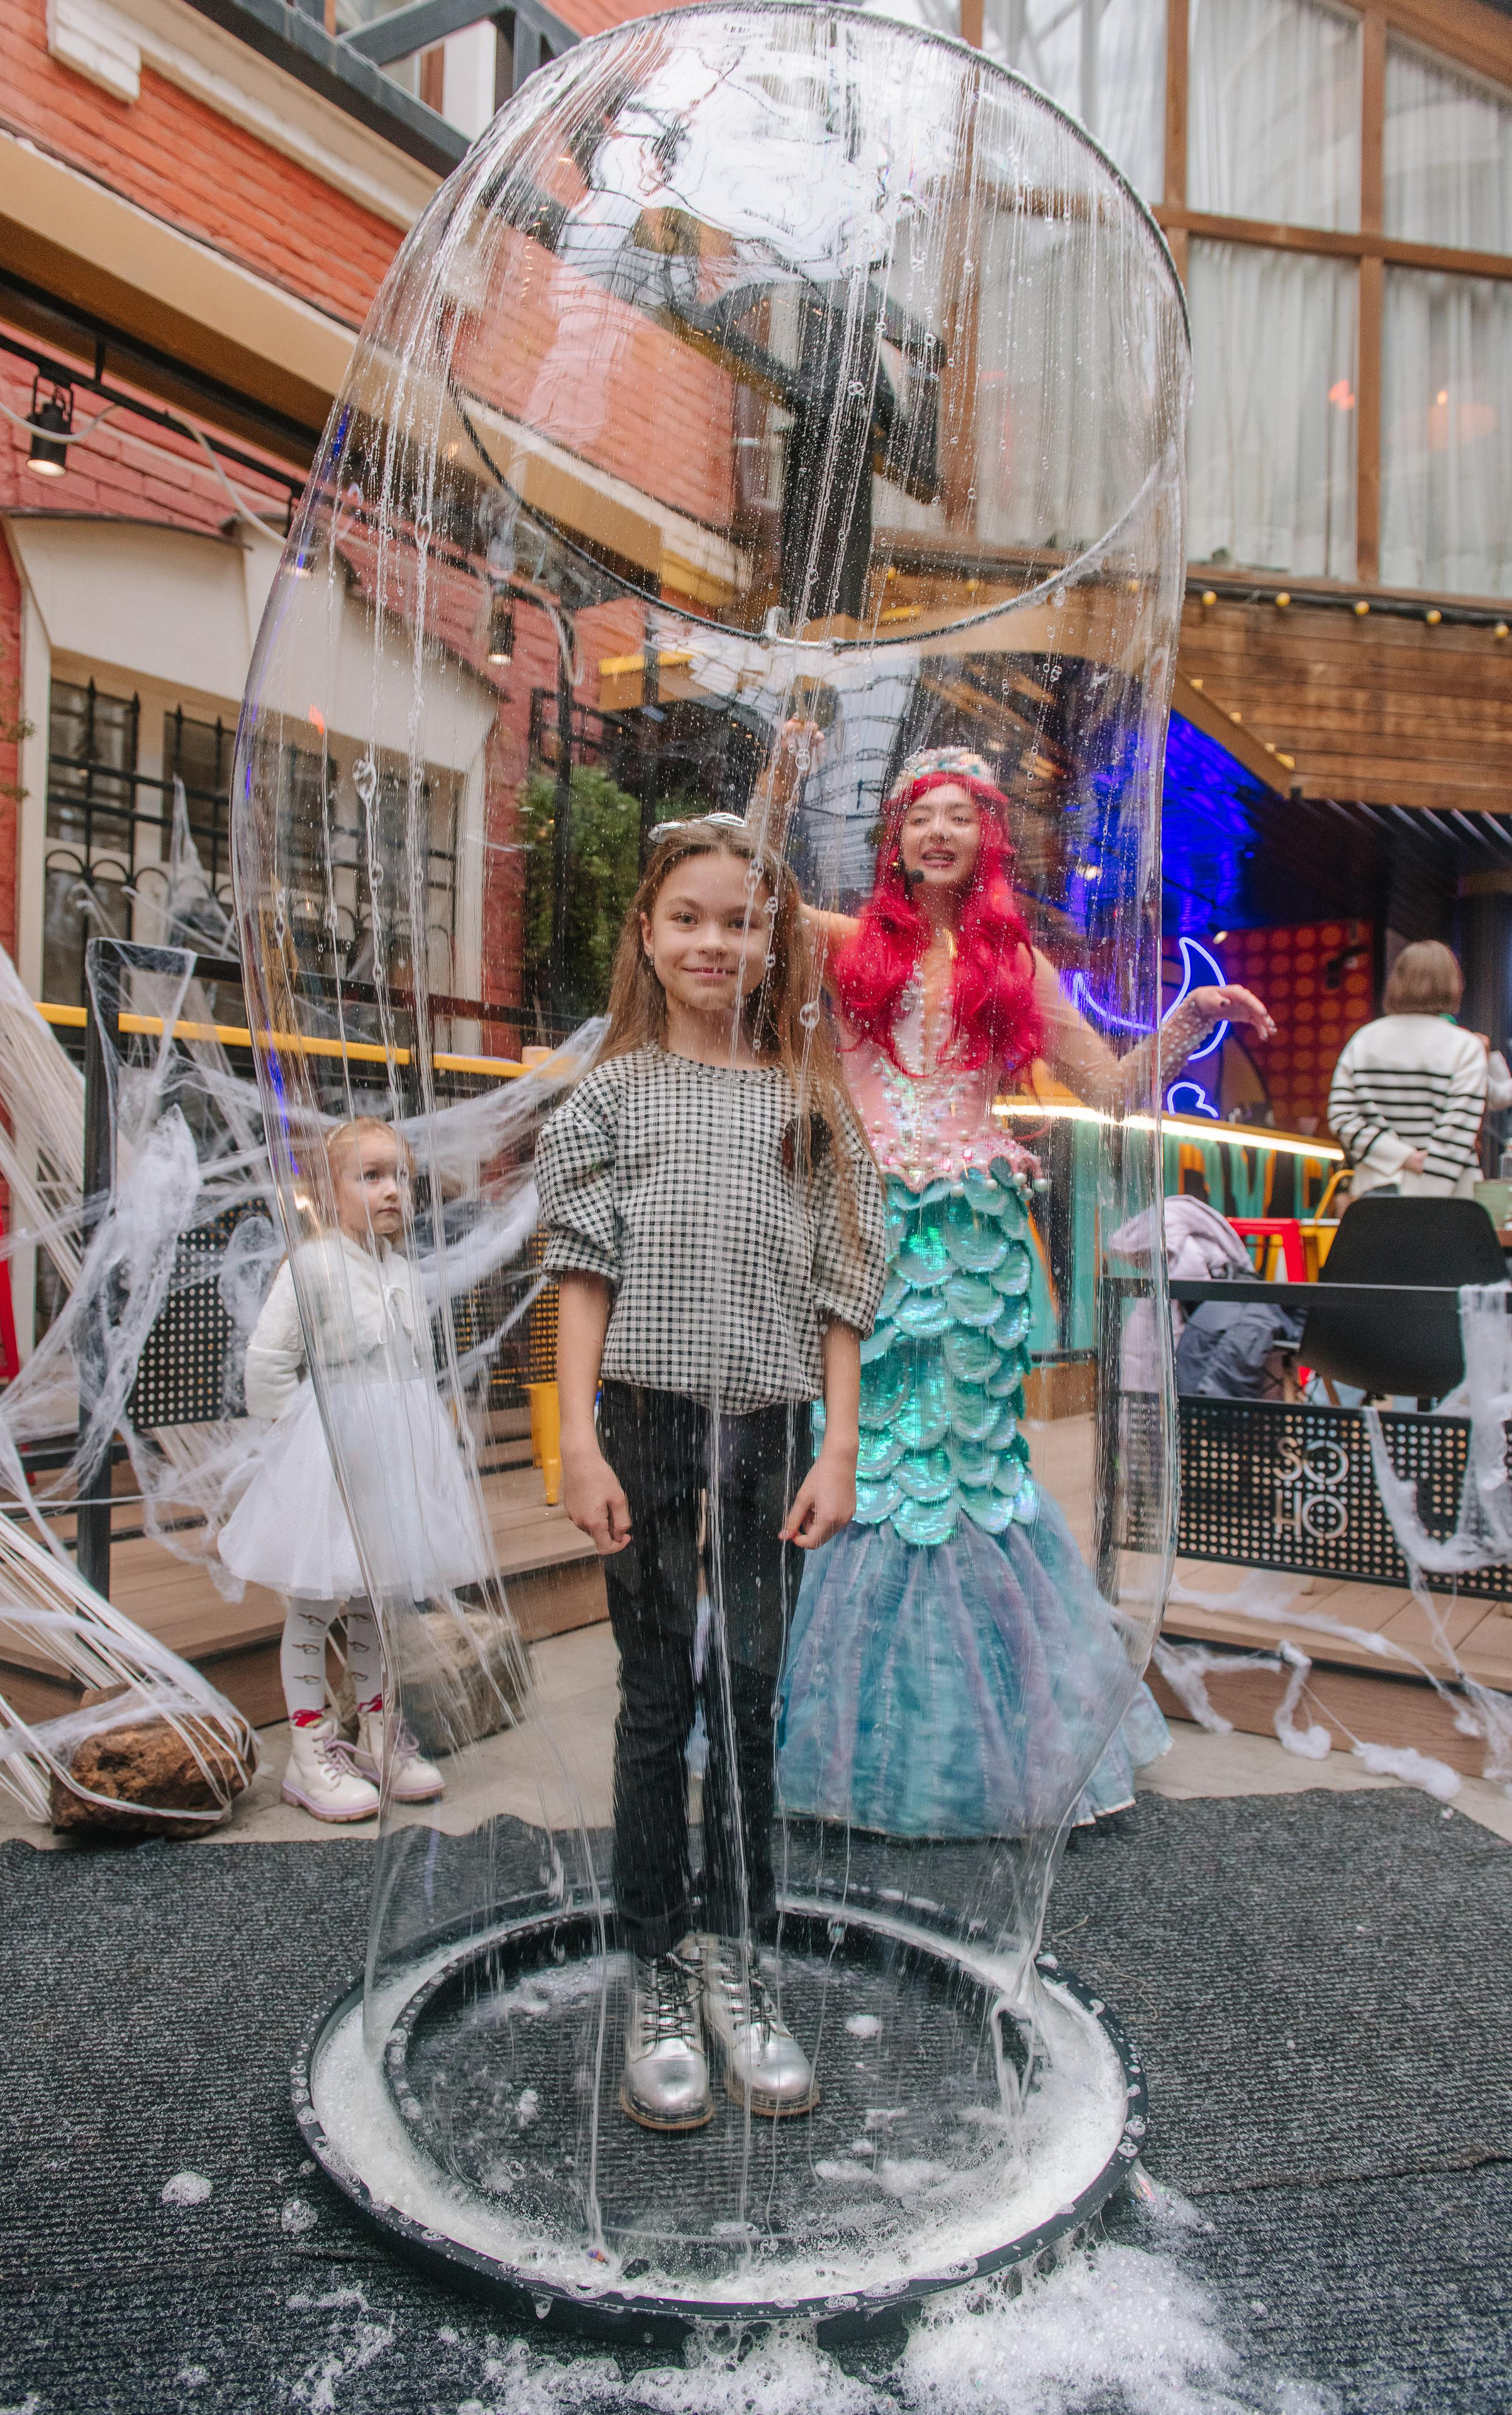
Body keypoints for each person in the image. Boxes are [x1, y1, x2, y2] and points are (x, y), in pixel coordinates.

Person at [774, 747, 1275, 1838]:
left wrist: (1191, 1025)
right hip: (867, 1223)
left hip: (969, 1246)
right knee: (859, 1453)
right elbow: (756, 896)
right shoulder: (849, 943)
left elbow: (1107, 1086)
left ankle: (971, 1740)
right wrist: (781, 780)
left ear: (984, 839)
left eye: (960, 818)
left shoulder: (1019, 967)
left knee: (966, 1465)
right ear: (896, 839)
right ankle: (852, 1733)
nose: (939, 834)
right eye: (921, 817)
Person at [535, 815, 886, 2133]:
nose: (710, 942)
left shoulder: (808, 1104)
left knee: (747, 1689)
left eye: (740, 921)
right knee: (649, 1694)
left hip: (774, 1423)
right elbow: (582, 1275)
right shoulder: (610, 1097)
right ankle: (658, 1967)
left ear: (773, 945)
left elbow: (844, 1285)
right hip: (646, 1418)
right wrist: (576, 1434)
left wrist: (839, 1445)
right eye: (687, 916)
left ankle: (739, 1956)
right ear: (645, 930)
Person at [220, 1118, 483, 1823]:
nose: (392, 1190)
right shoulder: (312, 1265)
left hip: (395, 1452)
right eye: (370, 1176)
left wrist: (432, 1441)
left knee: (377, 1597)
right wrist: (294, 1445)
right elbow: (269, 1360)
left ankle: (377, 1731)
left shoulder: (402, 1269)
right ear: (328, 1192)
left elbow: (418, 1364)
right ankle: (310, 1750)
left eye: (400, 1175)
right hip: (332, 1450)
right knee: (314, 1603)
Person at [1328, 942, 1491, 1201]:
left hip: (1378, 1191)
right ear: (1454, 982)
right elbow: (1459, 1129)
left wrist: (1402, 1157)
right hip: (1453, 1198)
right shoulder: (1465, 1046)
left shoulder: (1364, 1040)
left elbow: (1342, 1117)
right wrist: (1429, 1186)